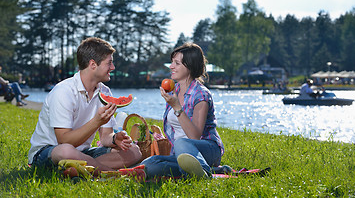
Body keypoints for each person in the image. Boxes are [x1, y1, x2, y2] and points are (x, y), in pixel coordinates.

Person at [28, 37, 142, 177]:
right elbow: (64, 140)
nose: (113, 68)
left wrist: (114, 139)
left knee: (134, 151)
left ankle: (78, 168)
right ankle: (113, 174)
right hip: (48, 152)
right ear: (93, 64)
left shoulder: (104, 92)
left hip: (83, 152)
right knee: (66, 151)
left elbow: (105, 136)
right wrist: (96, 121)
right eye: (109, 63)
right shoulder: (63, 91)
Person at [141, 42, 224, 179]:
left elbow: (195, 136)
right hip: (179, 155)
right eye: (172, 62)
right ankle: (209, 171)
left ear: (189, 66)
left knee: (182, 143)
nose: (171, 66)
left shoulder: (201, 95)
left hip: (206, 149)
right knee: (149, 164)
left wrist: (177, 107)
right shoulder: (175, 90)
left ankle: (205, 173)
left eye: (177, 63)